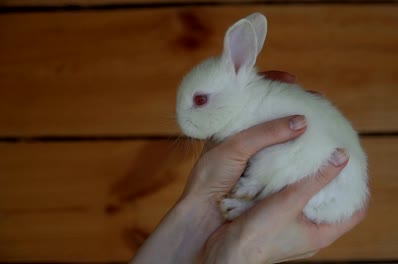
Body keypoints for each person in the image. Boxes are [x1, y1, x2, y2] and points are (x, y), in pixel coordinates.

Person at [131, 71, 367, 264]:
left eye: (200, 101)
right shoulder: (259, 102)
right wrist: (242, 248)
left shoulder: (259, 106)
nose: (182, 121)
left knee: (293, 150)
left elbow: (287, 159)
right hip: (335, 189)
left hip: (327, 190)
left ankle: (254, 202)